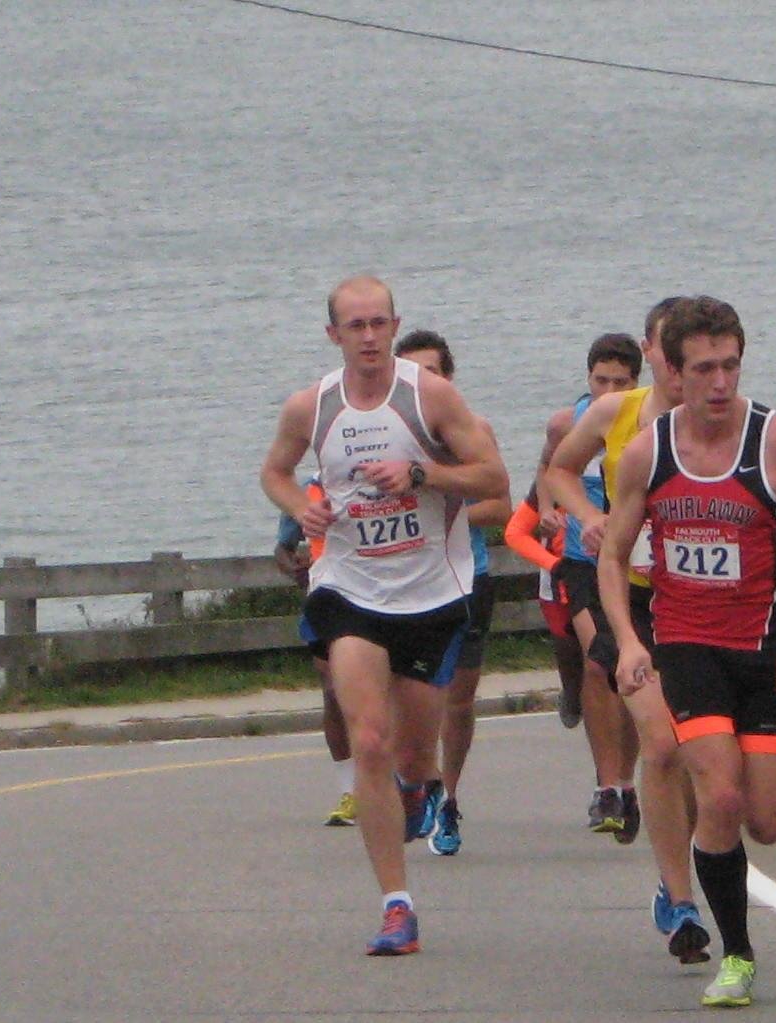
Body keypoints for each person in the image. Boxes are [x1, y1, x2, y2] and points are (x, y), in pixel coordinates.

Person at [595, 295, 776, 1008]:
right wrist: (626, 640)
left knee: (766, 822)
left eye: (730, 366)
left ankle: (725, 888)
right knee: (722, 792)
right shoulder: (650, 451)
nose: (719, 382)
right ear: (673, 373)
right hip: (686, 646)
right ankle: (736, 953)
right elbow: (614, 554)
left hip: (770, 649)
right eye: (704, 368)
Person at [259, 275, 507, 956]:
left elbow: (494, 480)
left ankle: (416, 784)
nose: (368, 337)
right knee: (367, 737)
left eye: (379, 324)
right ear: (333, 333)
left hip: (431, 591)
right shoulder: (311, 407)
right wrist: (298, 506)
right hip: (349, 587)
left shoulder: (429, 397)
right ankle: (397, 906)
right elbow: (276, 470)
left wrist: (423, 475)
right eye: (355, 325)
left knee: (409, 753)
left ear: (395, 326)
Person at [541, 300, 716, 965]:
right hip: (630, 597)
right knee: (663, 745)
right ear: (654, 353)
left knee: (701, 758)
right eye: (675, 358)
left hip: (701, 604)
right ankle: (679, 897)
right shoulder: (617, 412)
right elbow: (559, 467)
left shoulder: (728, 421)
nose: (687, 373)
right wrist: (589, 513)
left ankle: (687, 860)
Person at [391, 330, 514, 857]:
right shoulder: (387, 437)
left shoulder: (471, 431)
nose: (426, 382)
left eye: (435, 372)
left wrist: (442, 505)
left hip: (466, 577)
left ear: (450, 377)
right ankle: (423, 780)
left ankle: (450, 796)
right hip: (406, 583)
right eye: (415, 373)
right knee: (416, 697)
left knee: (459, 698)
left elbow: (501, 506)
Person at [540, 333, 646, 839]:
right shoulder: (568, 422)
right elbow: (551, 468)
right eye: (600, 379)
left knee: (629, 673)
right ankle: (606, 786)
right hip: (583, 556)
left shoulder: (645, 421)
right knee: (598, 661)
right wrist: (548, 511)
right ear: (587, 378)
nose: (608, 390)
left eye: (619, 382)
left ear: (636, 382)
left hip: (633, 561)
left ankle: (626, 782)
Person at [277, 474, 359, 827]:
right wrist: (294, 566)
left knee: (383, 692)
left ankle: (402, 779)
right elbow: (282, 548)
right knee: (332, 693)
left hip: (376, 596)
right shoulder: (307, 489)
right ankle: (350, 791)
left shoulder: (377, 479)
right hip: (325, 599)